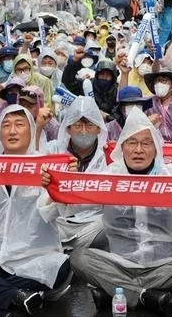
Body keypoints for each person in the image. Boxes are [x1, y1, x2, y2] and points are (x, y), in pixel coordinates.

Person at [65, 108, 172, 312]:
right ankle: (145, 296)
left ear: (156, 148)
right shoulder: (109, 177)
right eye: (132, 143)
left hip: (162, 266)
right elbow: (74, 204)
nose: (138, 150)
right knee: (79, 258)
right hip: (119, 264)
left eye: (146, 143)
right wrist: (68, 181)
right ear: (122, 148)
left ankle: (116, 291)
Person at [0, 105, 71, 315]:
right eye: (6, 126)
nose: (12, 131)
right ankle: (15, 295)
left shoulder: (45, 169)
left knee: (62, 268)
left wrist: (58, 186)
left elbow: (53, 211)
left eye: (19, 125)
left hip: (34, 261)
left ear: (31, 130)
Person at [42, 96, 108, 251]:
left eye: (90, 125)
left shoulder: (108, 155)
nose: (84, 131)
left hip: (94, 224)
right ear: (68, 128)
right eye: (78, 125)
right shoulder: (52, 151)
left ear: (99, 129)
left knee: (113, 223)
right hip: (57, 221)